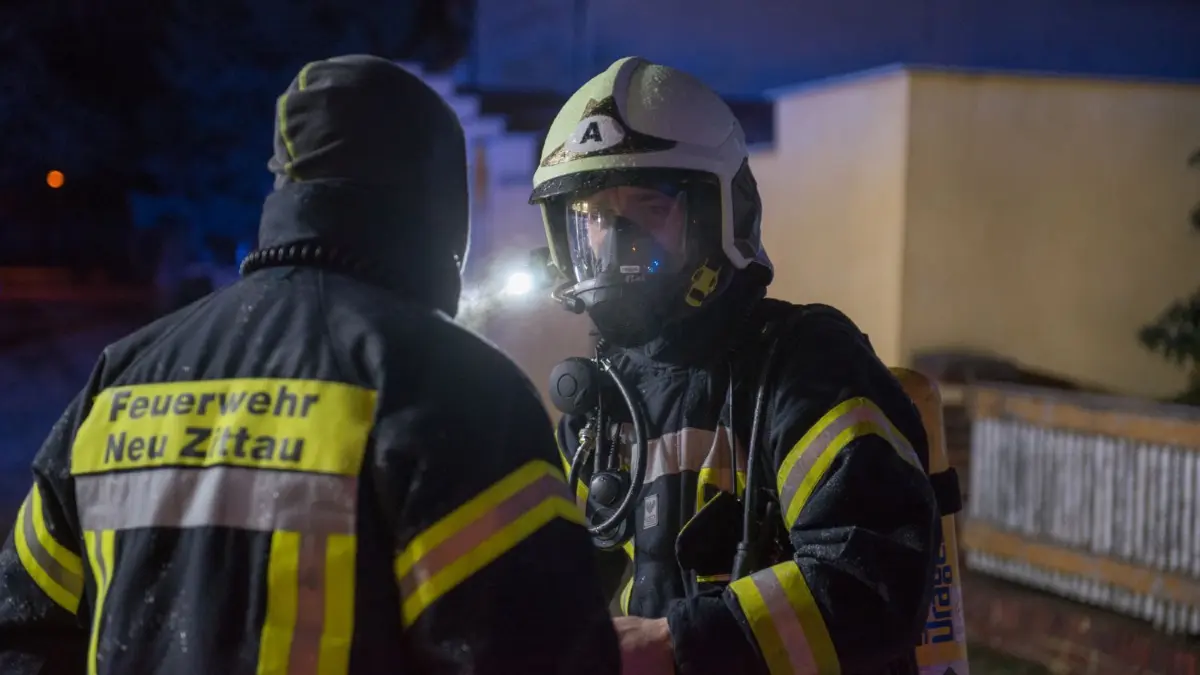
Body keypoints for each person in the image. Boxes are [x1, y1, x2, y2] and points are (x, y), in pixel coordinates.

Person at [0, 55, 620, 675]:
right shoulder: (455, 390)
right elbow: (548, 653)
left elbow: (24, 627)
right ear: (439, 206)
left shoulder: (121, 378)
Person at [529, 56, 943, 675]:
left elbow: (872, 580)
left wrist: (677, 645)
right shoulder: (600, 410)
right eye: (592, 218)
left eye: (648, 208)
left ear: (722, 215)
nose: (616, 244)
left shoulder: (805, 368)